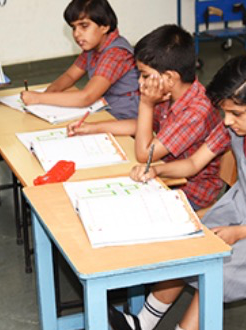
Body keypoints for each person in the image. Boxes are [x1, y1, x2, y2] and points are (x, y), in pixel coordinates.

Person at [109, 55, 246, 330]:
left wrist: (239, 232)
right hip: (238, 207)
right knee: (188, 243)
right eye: (225, 113)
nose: (227, 122)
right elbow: (195, 162)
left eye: (236, 114)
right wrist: (159, 169)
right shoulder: (234, 127)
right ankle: (142, 323)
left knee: (215, 267)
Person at [68, 24, 222, 210]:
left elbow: (144, 155)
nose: (140, 82)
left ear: (170, 78)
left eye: (144, 75)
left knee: (105, 205)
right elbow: (140, 125)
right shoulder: (170, 93)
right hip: (162, 173)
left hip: (189, 191)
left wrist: (146, 104)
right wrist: (93, 128)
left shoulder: (195, 112)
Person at [20, 0, 139, 119]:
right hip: (107, 109)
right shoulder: (92, 48)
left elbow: (87, 97)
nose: (76, 34)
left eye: (84, 26)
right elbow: (70, 76)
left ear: (104, 26)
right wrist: (48, 93)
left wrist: (39, 98)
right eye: (74, 28)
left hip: (125, 116)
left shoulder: (116, 54)